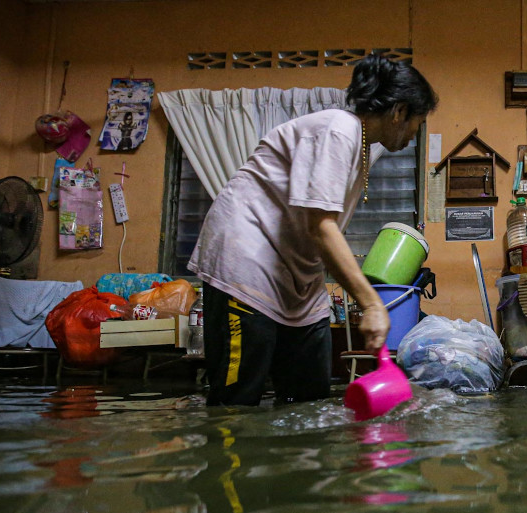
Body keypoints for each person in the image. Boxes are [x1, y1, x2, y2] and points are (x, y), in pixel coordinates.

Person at [188, 54, 438, 406]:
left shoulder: (364, 147)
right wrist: (371, 304)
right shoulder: (338, 128)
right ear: (398, 112)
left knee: (309, 401)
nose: (414, 135)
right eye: (417, 122)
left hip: (297, 281)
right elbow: (321, 228)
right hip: (245, 266)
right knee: (236, 402)